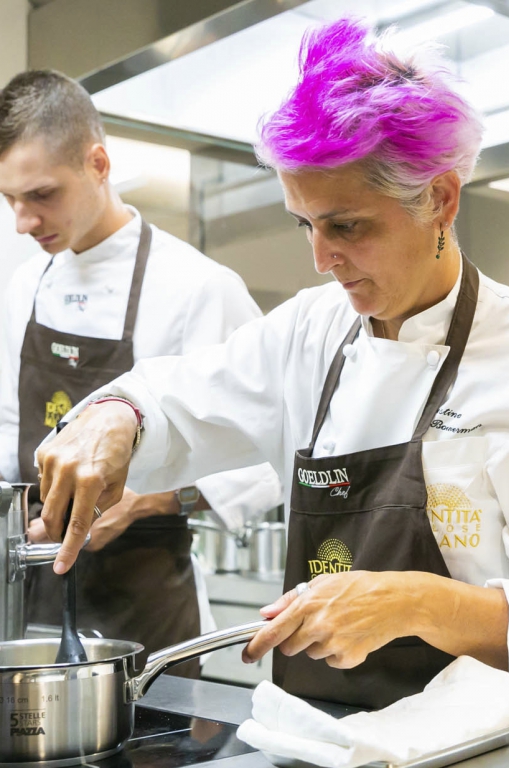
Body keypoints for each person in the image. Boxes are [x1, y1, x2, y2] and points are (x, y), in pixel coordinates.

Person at [34, 20, 509, 737]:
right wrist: (116, 413)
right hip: (313, 740)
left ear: (441, 201)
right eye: (305, 225)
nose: (321, 260)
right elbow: (183, 395)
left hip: (475, 752)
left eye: (348, 227)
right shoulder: (310, 331)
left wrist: (415, 603)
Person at [0, 70, 281, 676]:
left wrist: (147, 498)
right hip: (33, 599)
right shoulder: (25, 286)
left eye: (42, 195)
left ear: (98, 164)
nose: (23, 221)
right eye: (10, 200)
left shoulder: (196, 287)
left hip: (147, 608)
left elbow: (271, 451)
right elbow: (6, 434)